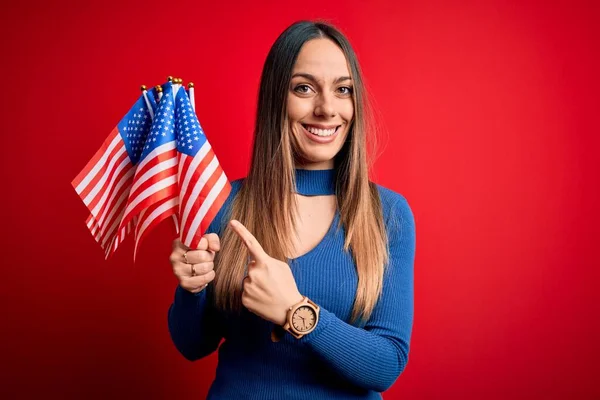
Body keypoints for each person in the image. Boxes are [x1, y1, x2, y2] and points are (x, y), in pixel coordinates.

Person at [167, 20, 416, 399]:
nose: (326, 108)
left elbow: (386, 364)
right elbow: (191, 345)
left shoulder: (389, 215)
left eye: (343, 90)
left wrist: (295, 311)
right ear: (276, 98)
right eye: (304, 88)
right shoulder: (224, 204)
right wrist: (193, 288)